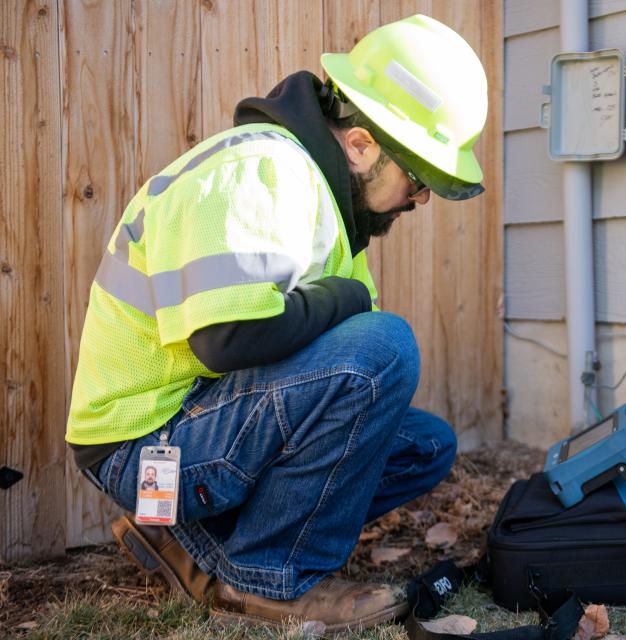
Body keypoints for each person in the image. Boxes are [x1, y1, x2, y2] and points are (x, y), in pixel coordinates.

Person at [63, 14, 488, 634]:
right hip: (143, 443)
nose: (420, 198)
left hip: (197, 427)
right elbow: (226, 339)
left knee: (425, 447)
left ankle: (196, 543)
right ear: (363, 143)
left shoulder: (321, 203)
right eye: (419, 177)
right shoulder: (263, 171)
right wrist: (342, 300)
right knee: (388, 347)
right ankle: (267, 577)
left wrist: (342, 302)